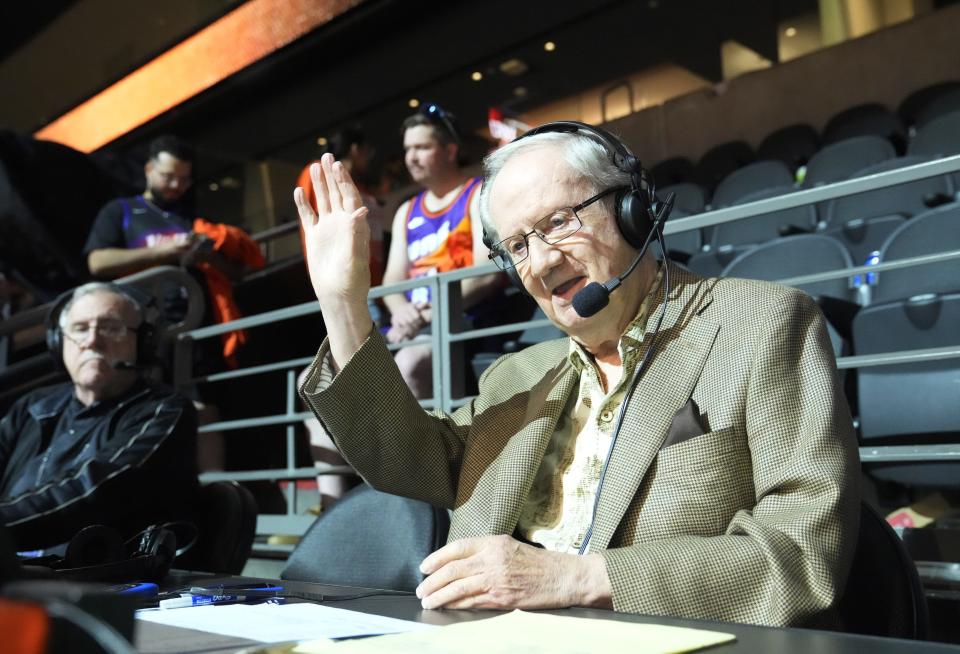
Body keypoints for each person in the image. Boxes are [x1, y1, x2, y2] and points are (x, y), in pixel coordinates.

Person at [293, 123, 859, 627]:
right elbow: (406, 459)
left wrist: (575, 578)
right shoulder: (518, 375)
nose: (540, 263)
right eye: (517, 245)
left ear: (633, 210)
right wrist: (344, 305)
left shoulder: (762, 324)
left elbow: (804, 550)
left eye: (558, 223)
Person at [84, 135, 264, 471]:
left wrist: (208, 255)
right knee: (139, 410)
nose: (176, 185)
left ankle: (216, 492)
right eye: (169, 176)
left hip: (193, 329)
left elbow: (234, 273)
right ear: (150, 170)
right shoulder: (121, 211)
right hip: (138, 331)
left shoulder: (189, 218)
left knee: (203, 410)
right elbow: (97, 262)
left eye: (184, 178)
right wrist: (163, 253)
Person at [0, 282, 198, 550]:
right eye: (80, 329)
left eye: (111, 328)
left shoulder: (163, 409)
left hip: (93, 580)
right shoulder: (33, 406)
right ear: (58, 342)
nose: (92, 340)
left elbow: (97, 490)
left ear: (143, 342)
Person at [381, 105, 501, 398]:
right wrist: (402, 313)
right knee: (318, 378)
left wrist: (426, 315)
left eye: (422, 147)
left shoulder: (478, 195)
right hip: (410, 326)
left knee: (409, 365)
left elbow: (485, 275)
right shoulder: (406, 211)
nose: (411, 157)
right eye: (408, 148)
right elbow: (391, 284)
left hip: (461, 320)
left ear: (450, 151)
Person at [296, 128, 386, 508]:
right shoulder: (319, 173)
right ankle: (337, 504)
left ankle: (376, 496)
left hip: (380, 297)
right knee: (318, 388)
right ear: (356, 148)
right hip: (348, 295)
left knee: (362, 390)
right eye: (368, 148)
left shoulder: (364, 188)